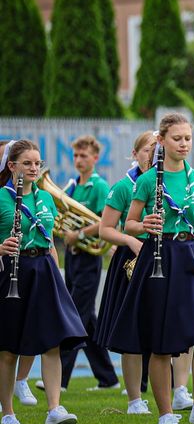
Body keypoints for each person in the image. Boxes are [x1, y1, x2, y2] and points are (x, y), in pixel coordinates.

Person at [110, 113, 194, 424]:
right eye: (177, 138)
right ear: (161, 141)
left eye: (188, 138)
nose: (184, 144)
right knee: (161, 337)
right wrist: (144, 225)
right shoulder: (148, 180)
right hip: (159, 257)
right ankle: (165, 414)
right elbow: (129, 223)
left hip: (191, 258)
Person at [1, 140, 86, 424]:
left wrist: (57, 274)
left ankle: (55, 409)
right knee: (9, 346)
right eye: (27, 163)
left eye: (37, 163)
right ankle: (8, 413)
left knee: (52, 342)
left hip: (45, 270)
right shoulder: (1, 198)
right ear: (11, 166)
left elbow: (49, 240)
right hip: (13, 271)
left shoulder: (46, 199)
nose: (34, 168)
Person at [95, 131, 157, 415]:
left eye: (158, 149)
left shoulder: (172, 182)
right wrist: (130, 239)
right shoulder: (124, 186)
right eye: (147, 150)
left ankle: (177, 392)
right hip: (131, 260)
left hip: (165, 256)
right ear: (135, 154)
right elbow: (105, 229)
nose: (153, 155)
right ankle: (134, 399)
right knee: (132, 331)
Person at [59, 135, 119, 393]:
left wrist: (80, 235)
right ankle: (108, 378)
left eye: (84, 156)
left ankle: (59, 379)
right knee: (88, 321)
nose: (79, 160)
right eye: (76, 156)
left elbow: (105, 221)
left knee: (75, 316)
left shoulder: (99, 186)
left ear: (95, 158)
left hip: (90, 256)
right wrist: (67, 234)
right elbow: (64, 216)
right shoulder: (72, 186)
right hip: (73, 256)